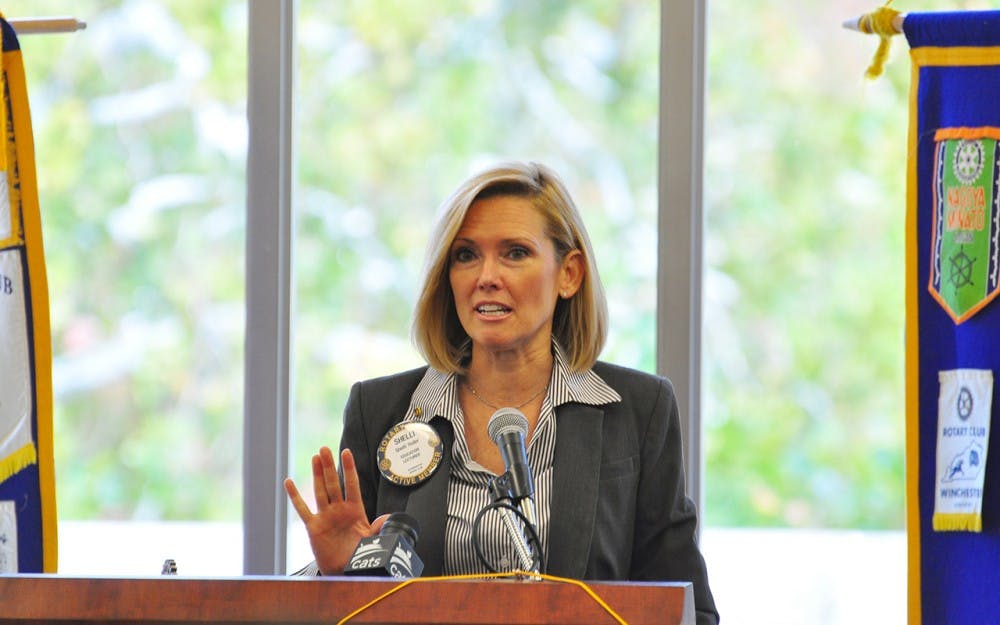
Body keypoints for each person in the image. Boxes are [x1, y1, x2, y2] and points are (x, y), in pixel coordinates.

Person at [284, 161, 719, 624]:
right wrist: (335, 572)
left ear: (569, 274)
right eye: (466, 255)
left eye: (514, 253)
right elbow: (354, 605)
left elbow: (689, 610)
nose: (486, 276)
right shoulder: (381, 411)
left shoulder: (638, 410)